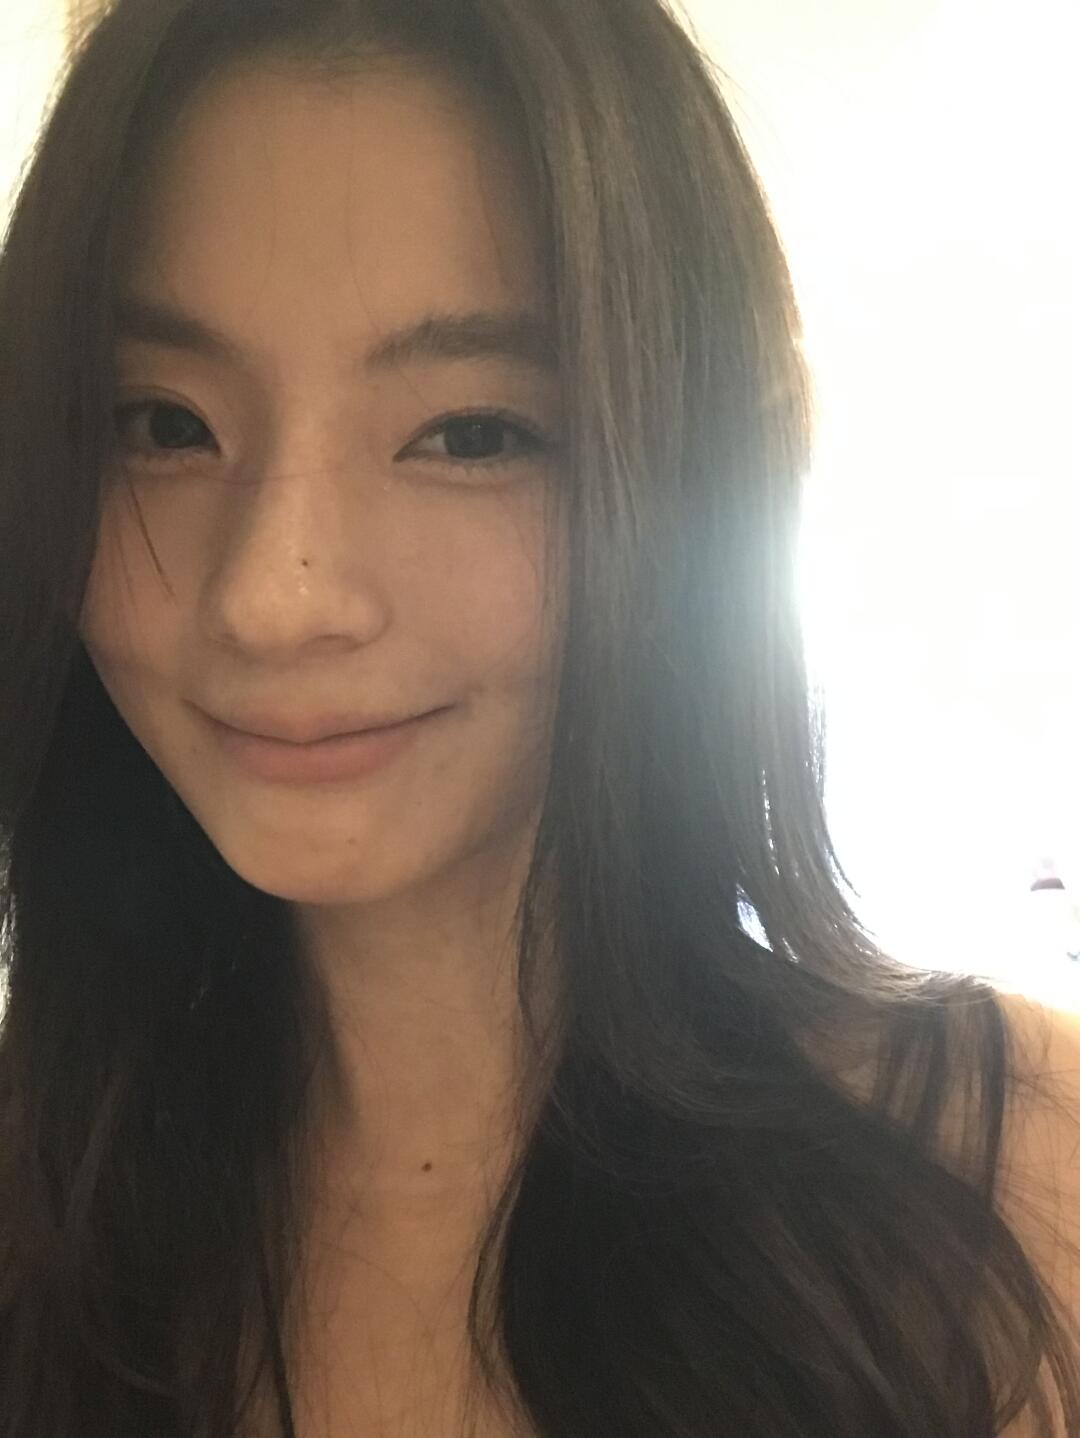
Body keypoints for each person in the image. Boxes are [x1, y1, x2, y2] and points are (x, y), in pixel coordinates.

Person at [0, 1, 1077, 1435]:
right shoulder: (42, 1218)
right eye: (162, 424)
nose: (272, 597)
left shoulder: (1008, 1182)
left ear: (690, 476)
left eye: (471, 434)